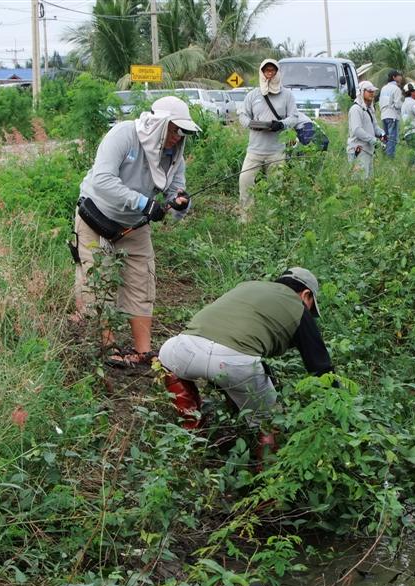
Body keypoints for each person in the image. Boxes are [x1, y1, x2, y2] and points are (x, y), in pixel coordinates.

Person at [73, 96, 198, 368]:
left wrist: (180, 204)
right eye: (175, 129)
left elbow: (177, 190)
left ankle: (143, 351)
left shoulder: (175, 157)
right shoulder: (123, 135)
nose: (178, 137)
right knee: (97, 280)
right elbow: (103, 180)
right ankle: (107, 347)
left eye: (183, 132)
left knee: (142, 281)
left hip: (134, 225)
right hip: (97, 217)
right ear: (158, 123)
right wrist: (144, 203)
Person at [158, 268, 334, 449]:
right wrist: (339, 402)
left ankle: (190, 431)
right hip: (235, 364)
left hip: (186, 349)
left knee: (167, 357)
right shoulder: (299, 308)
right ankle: (268, 472)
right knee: (269, 424)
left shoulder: (247, 286)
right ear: (306, 295)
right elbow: (320, 367)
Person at [238, 59, 300, 216]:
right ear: (262, 73)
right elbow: (243, 115)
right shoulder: (253, 95)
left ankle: (272, 220)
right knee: (245, 181)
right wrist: (251, 124)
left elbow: (294, 117)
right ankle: (247, 218)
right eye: (267, 71)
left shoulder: (287, 95)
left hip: (276, 151)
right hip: (255, 150)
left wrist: (280, 125)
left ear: (278, 73)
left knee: (276, 187)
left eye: (273, 71)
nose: (270, 74)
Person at [346, 80, 385, 178]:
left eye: (373, 91)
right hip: (359, 150)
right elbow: (357, 130)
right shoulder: (356, 109)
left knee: (368, 181)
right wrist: (373, 140)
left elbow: (374, 126)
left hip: (368, 150)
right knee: (359, 181)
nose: (372, 93)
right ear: (361, 92)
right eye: (369, 91)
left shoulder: (369, 109)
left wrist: (381, 134)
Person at [378, 70, 404, 158]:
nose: (400, 77)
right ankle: (390, 159)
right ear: (394, 77)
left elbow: (380, 103)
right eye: (399, 76)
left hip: (383, 115)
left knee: (385, 138)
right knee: (392, 139)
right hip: (392, 116)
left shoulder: (383, 88)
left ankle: (384, 156)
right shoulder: (396, 89)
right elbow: (397, 104)